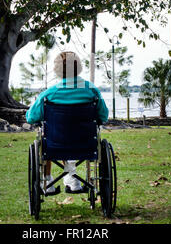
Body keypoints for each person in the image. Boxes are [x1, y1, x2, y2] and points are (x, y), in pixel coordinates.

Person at [26, 51, 109, 194]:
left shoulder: (49, 94)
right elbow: (103, 116)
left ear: (57, 70)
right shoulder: (92, 91)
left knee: (48, 135)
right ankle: (73, 179)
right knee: (69, 135)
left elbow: (31, 118)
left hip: (56, 143)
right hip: (86, 143)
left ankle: (48, 182)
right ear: (79, 67)